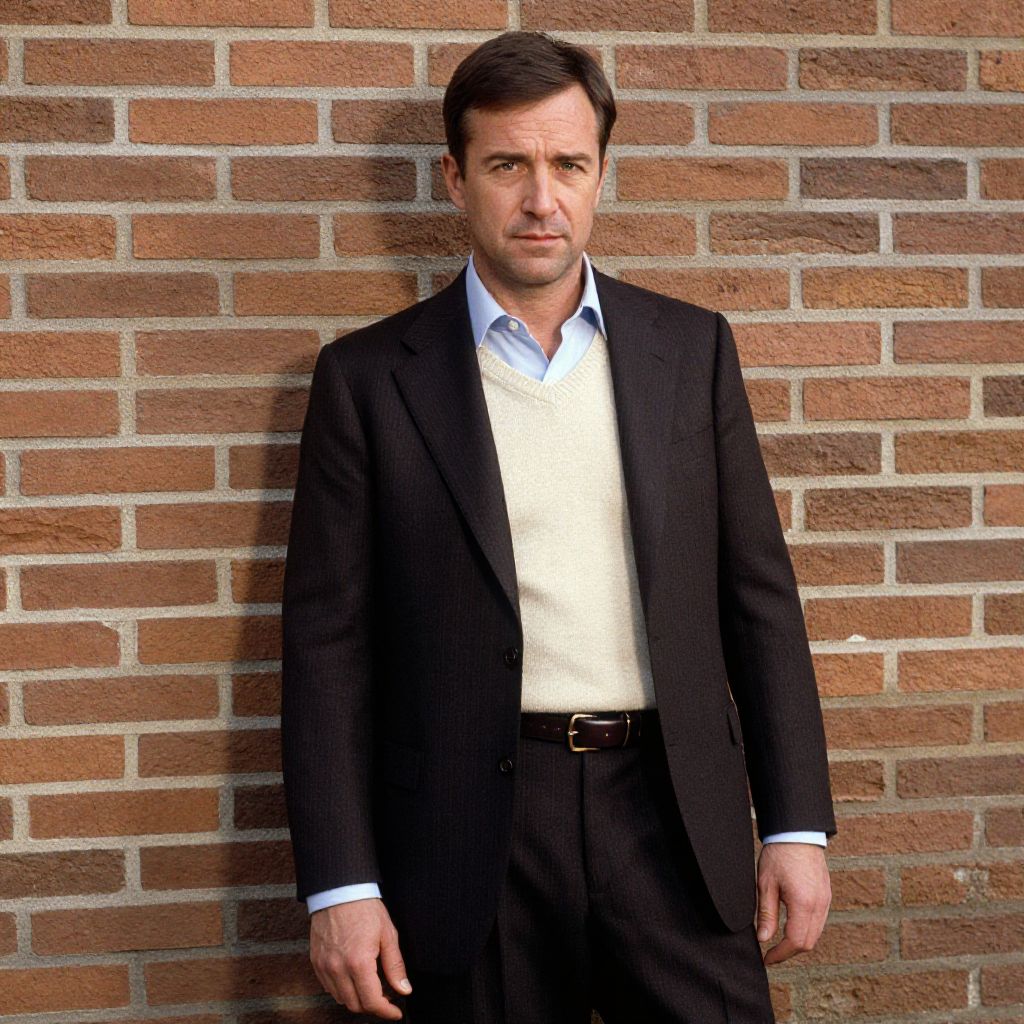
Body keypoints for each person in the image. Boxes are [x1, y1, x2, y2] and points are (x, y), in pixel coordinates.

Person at [280, 29, 837, 1024]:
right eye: (508, 165)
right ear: (455, 178)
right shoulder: (366, 382)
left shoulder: (690, 351)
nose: (542, 199)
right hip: (466, 830)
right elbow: (326, 650)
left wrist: (795, 822)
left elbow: (757, 596)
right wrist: (340, 885)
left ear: (599, 173)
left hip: (669, 811)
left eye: (567, 164)